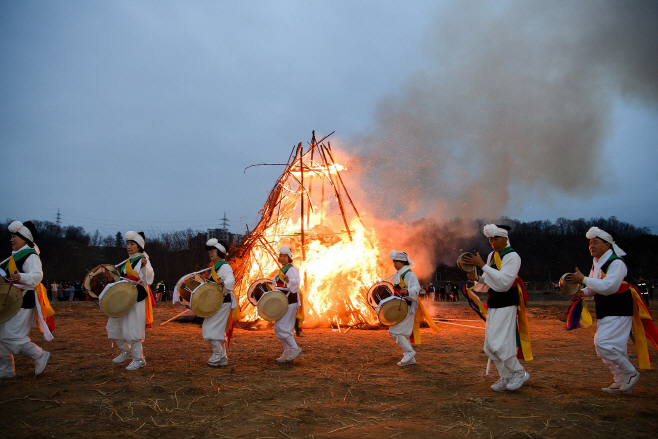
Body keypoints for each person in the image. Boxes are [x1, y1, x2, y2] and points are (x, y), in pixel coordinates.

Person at [565, 227, 641, 394]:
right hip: (606, 309)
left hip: (619, 309)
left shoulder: (616, 263)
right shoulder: (597, 263)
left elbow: (609, 287)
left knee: (603, 344)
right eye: (590, 243)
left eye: (595, 242)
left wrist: (584, 279)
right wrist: (582, 292)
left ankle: (630, 372)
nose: (591, 246)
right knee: (614, 348)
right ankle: (621, 381)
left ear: (607, 244)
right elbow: (593, 289)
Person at [463, 224, 531, 392]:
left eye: (496, 238)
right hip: (494, 301)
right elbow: (489, 280)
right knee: (489, 346)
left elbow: (504, 282)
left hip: (507, 301)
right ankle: (505, 376)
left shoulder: (513, 256)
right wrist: (477, 277)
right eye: (490, 239)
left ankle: (519, 372)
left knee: (499, 343)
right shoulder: (493, 255)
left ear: (505, 238)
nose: (492, 242)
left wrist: (482, 266)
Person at [0, 221, 54, 378]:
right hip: (11, 301)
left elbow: (37, 276)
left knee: (11, 336)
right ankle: (6, 369)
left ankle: (39, 355)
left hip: (23, 301)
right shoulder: (15, 255)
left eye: (14, 236)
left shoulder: (30, 255)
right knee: (1, 334)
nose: (11, 240)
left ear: (24, 238)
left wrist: (21, 276)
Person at [106, 231, 154, 371]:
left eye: (132, 244)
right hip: (123, 297)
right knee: (113, 326)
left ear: (139, 246)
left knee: (132, 329)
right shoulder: (127, 261)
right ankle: (126, 351)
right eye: (127, 243)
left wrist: (144, 267)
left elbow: (148, 279)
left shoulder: (143, 259)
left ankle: (139, 359)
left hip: (135, 297)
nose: (128, 246)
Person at [202, 239, 237, 366]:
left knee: (210, 329)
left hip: (223, 302)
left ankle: (218, 354)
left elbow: (231, 282)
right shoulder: (216, 267)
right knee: (215, 329)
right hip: (217, 302)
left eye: (213, 250)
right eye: (209, 251)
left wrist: (223, 283)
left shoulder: (225, 266)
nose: (210, 253)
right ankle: (222, 358)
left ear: (221, 252)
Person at [387, 250, 421, 367]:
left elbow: (416, 288)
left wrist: (408, 291)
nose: (394, 264)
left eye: (395, 262)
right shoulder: (400, 274)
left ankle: (409, 352)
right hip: (400, 307)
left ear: (402, 262)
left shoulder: (410, 274)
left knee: (394, 331)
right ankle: (410, 358)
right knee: (402, 333)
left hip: (407, 307)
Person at [272, 246, 303, 363]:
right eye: (281, 256)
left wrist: (288, 280)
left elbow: (296, 283)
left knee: (281, 327)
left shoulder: (292, 270)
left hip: (290, 302)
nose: (282, 258)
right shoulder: (282, 270)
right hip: (283, 302)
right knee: (283, 328)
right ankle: (287, 352)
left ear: (289, 258)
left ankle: (294, 349)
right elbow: (275, 282)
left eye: (284, 256)